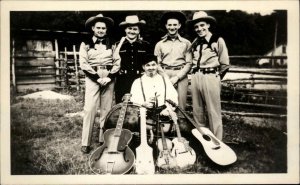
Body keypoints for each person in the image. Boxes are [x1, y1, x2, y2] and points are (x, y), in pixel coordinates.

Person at [79, 14, 119, 154]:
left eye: (103, 28)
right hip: (93, 77)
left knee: (106, 110)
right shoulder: (85, 43)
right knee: (89, 109)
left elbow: (117, 62)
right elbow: (83, 63)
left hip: (108, 77)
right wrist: (97, 78)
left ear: (106, 29)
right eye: (98, 28)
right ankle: (86, 143)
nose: (101, 30)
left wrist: (110, 76)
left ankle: (103, 139)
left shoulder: (112, 42)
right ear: (93, 28)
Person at [187, 11, 230, 140]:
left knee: (213, 112)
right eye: (196, 27)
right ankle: (203, 141)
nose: (199, 29)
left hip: (210, 76)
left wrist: (215, 77)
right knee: (197, 111)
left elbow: (225, 63)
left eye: (202, 25)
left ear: (208, 25)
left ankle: (217, 142)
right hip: (195, 77)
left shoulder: (217, 40)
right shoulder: (195, 42)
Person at [154, 11, 192, 112]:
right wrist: (165, 77)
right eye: (169, 25)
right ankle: (164, 127)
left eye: (175, 25)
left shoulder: (186, 43)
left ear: (179, 25)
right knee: (163, 102)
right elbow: (157, 64)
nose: (172, 27)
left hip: (181, 75)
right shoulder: (159, 44)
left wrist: (177, 77)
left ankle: (179, 126)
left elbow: (189, 63)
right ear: (166, 26)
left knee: (180, 104)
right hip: (164, 74)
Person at [112, 15, 151, 104]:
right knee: (122, 105)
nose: (132, 31)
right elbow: (113, 61)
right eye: (130, 28)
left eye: (135, 29)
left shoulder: (145, 45)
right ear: (125, 29)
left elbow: (150, 62)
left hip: (140, 78)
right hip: (123, 80)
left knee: (141, 104)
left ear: (139, 31)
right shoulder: (118, 45)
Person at [130, 54, 178, 119]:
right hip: (144, 115)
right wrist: (143, 103)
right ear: (143, 67)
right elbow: (133, 99)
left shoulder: (165, 80)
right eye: (148, 65)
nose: (151, 68)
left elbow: (173, 96)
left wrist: (168, 110)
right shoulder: (137, 82)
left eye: (153, 65)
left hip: (164, 114)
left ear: (157, 66)